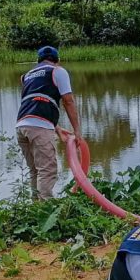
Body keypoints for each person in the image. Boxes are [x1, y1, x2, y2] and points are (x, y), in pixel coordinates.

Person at [15, 45, 81, 200]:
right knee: (47, 170)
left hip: (21, 126)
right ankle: (46, 211)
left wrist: (57, 128)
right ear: (57, 60)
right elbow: (68, 101)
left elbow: (34, 103)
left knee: (35, 171)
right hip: (39, 126)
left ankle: (36, 209)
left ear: (38, 61)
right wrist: (77, 131)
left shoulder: (27, 76)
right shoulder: (58, 71)